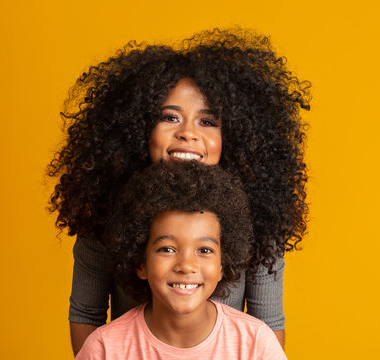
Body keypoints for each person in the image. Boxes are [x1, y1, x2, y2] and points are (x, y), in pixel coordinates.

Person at [47, 27, 310, 354]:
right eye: (170, 117)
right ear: (140, 128)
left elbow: (267, 326)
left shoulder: (257, 224)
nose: (187, 133)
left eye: (207, 122)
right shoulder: (104, 212)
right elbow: (87, 313)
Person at [75, 161, 286, 359]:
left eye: (204, 250)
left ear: (223, 265)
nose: (186, 266)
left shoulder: (256, 344)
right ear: (140, 263)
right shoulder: (104, 348)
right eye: (167, 249)